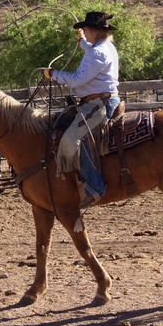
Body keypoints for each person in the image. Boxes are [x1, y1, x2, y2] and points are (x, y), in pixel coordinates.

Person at [43, 11, 121, 206]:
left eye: (85, 29)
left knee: (73, 138)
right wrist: (82, 42)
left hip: (99, 103)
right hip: (102, 99)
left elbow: (76, 80)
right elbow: (91, 53)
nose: (83, 31)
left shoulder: (97, 53)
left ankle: (95, 187)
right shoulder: (105, 47)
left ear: (94, 30)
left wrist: (54, 74)